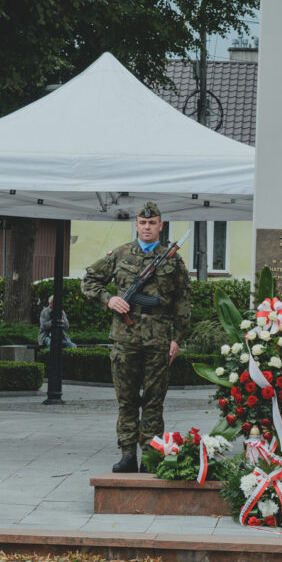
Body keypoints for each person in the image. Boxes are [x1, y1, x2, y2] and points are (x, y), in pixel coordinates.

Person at [81, 202, 190, 473]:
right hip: (125, 340)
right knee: (127, 400)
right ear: (137, 225)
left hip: (159, 342)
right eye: (143, 223)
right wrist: (110, 299)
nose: (147, 228)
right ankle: (128, 454)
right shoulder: (120, 255)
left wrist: (177, 338)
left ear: (161, 226)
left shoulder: (172, 260)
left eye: (152, 224)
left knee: (154, 401)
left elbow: (183, 301)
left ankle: (151, 457)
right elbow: (89, 281)